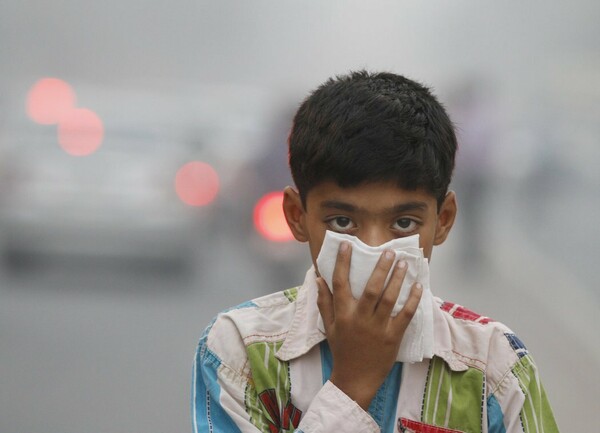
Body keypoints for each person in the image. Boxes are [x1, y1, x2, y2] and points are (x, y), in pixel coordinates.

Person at [191, 71, 560, 433]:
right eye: (341, 222)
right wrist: (352, 385)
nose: (373, 250)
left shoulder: (493, 367)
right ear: (297, 217)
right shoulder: (240, 352)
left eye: (403, 224)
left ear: (443, 221)